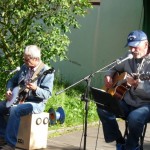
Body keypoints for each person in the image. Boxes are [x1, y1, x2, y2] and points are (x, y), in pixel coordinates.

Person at [97, 30, 150, 150]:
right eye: (130, 47)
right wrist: (109, 75)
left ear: (146, 44)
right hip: (127, 101)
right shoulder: (128, 56)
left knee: (135, 118)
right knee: (103, 106)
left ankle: (132, 147)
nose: (132, 50)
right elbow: (113, 66)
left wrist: (138, 86)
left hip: (146, 105)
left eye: (135, 47)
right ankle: (119, 140)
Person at [0, 45, 54, 150]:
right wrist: (9, 90)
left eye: (27, 59)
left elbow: (47, 94)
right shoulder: (25, 67)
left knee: (15, 110)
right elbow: (12, 81)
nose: (24, 61)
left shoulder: (46, 72)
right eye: (24, 59)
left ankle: (10, 144)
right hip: (20, 98)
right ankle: (2, 136)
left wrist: (35, 89)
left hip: (36, 104)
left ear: (36, 59)